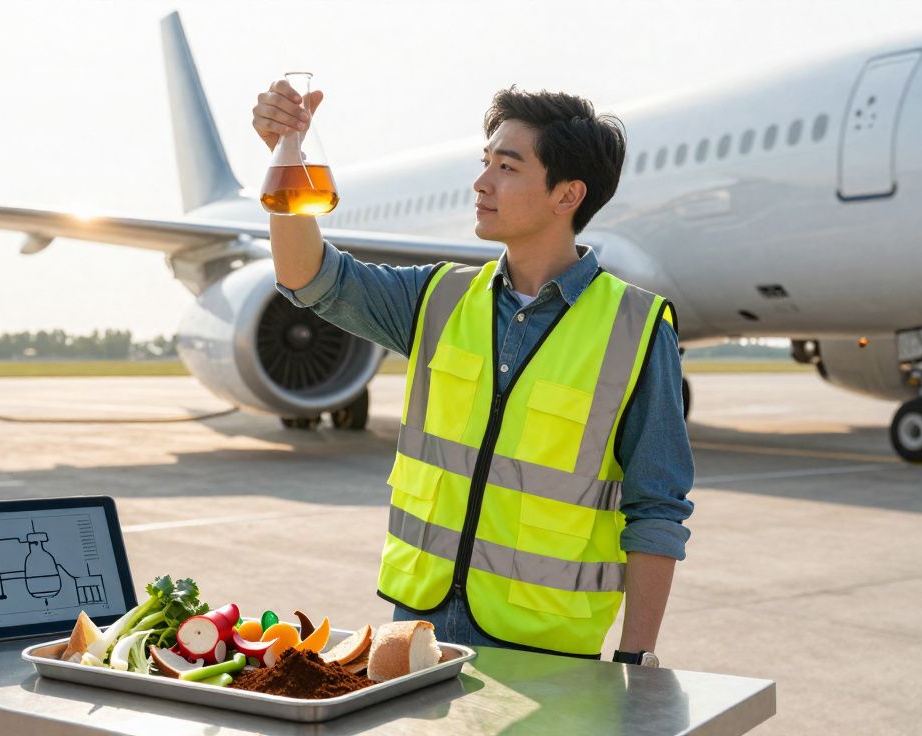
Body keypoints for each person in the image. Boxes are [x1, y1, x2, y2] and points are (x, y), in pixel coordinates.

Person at [251, 80, 693, 665]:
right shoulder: (437, 297)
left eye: (507, 167)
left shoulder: (637, 328)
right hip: (418, 635)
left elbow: (656, 508)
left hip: (548, 656)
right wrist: (288, 155)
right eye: (485, 163)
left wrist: (638, 661)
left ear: (568, 195)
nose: (482, 182)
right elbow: (306, 274)